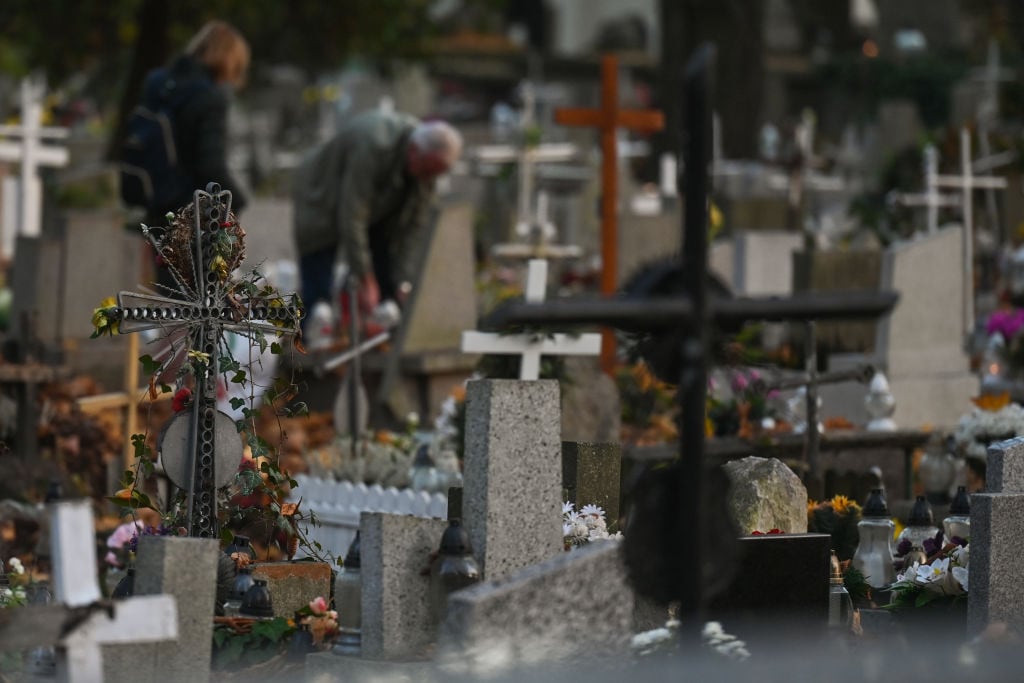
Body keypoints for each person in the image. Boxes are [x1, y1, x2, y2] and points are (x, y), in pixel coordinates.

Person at [291, 109, 463, 338]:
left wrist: (403, 283)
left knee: (388, 271)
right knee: (319, 287)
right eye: (428, 170)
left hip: (377, 206)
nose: (429, 179)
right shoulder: (374, 144)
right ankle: (310, 346)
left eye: (435, 174)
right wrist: (365, 277)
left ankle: (379, 332)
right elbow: (352, 215)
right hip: (322, 195)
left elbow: (413, 228)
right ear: (414, 151)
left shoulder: (424, 169)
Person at [137, 20, 251, 227]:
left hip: (153, 201)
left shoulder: (155, 82)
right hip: (193, 214)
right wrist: (238, 200)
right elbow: (211, 166)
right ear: (229, 60)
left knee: (162, 259)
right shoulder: (211, 97)